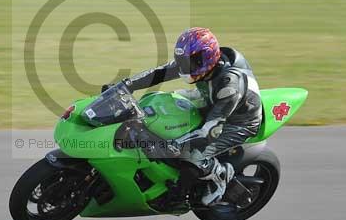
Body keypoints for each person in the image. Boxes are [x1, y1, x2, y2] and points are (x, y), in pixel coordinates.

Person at [108, 27, 262, 206]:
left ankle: (220, 175)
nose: (185, 67)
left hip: (237, 121)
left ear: (207, 57)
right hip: (211, 99)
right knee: (157, 103)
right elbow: (159, 73)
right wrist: (126, 85)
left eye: (191, 62)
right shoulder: (199, 64)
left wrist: (177, 145)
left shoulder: (229, 85)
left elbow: (210, 132)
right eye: (182, 61)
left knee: (190, 154)